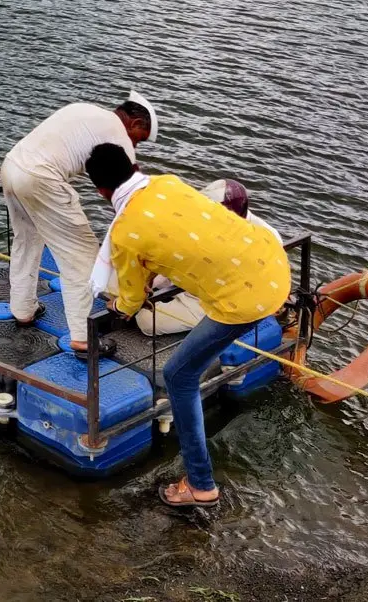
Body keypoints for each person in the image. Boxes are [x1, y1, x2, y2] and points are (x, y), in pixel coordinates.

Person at [86, 143, 290, 510]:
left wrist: (115, 303)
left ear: (101, 191)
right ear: (136, 166)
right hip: (274, 266)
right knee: (188, 364)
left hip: (246, 299)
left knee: (179, 376)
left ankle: (201, 484)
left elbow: (130, 302)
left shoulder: (125, 233)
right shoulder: (167, 183)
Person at [1, 93, 156, 355]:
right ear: (136, 122)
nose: (135, 146)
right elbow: (131, 194)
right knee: (81, 257)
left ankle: (23, 310)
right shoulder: (119, 136)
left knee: (26, 240)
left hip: (12, 167)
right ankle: (83, 340)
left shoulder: (85, 110)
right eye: (138, 138)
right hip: (42, 178)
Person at [91, 177, 284, 338]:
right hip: (187, 279)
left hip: (216, 298)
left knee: (147, 323)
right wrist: (147, 280)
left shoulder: (266, 237)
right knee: (115, 284)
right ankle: (136, 305)